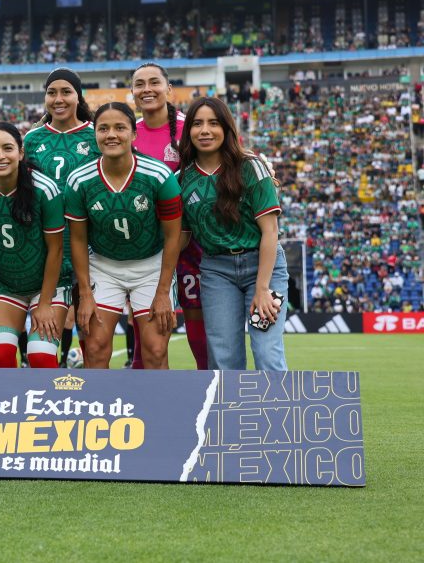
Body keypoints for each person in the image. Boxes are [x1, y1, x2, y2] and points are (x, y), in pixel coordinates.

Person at [66, 102, 183, 369]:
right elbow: (78, 239)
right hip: (104, 267)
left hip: (151, 266)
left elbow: (174, 236)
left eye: (120, 128)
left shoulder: (159, 175)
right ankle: (97, 409)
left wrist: (163, 291)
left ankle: (158, 411)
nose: (111, 135)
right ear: (95, 135)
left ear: (134, 134)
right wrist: (84, 293)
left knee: (154, 350)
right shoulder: (79, 180)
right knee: (94, 348)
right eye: (103, 128)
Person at [177, 96, 288, 371]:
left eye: (213, 123)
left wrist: (262, 289)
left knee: (267, 354)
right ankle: (233, 415)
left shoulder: (251, 167)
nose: (205, 131)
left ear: (227, 129)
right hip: (216, 271)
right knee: (224, 359)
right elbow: (180, 237)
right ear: (188, 130)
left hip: (264, 268)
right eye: (197, 124)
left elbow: (270, 231)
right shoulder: (182, 179)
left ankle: (276, 415)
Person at [0, 122, 69, 368]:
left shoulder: (45, 189)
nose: (0, 156)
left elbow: (56, 249)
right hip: (5, 284)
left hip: (48, 286)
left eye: (7, 148)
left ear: (20, 153)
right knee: (0, 357)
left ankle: (44, 407)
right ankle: (7, 407)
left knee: (40, 356)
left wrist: (44, 304)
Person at [131, 62, 208, 370]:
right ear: (133, 93)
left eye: (154, 82)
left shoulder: (191, 128)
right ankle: (143, 404)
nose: (147, 89)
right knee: (145, 337)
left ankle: (210, 395)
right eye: (139, 84)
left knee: (198, 327)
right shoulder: (127, 132)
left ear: (169, 89)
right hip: (146, 250)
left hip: (191, 246)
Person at [23, 68, 99, 366]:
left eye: (66, 91)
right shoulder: (32, 139)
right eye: (52, 92)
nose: (58, 98)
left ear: (78, 96)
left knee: (93, 340)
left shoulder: (96, 134)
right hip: (47, 251)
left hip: (90, 248)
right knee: (44, 338)